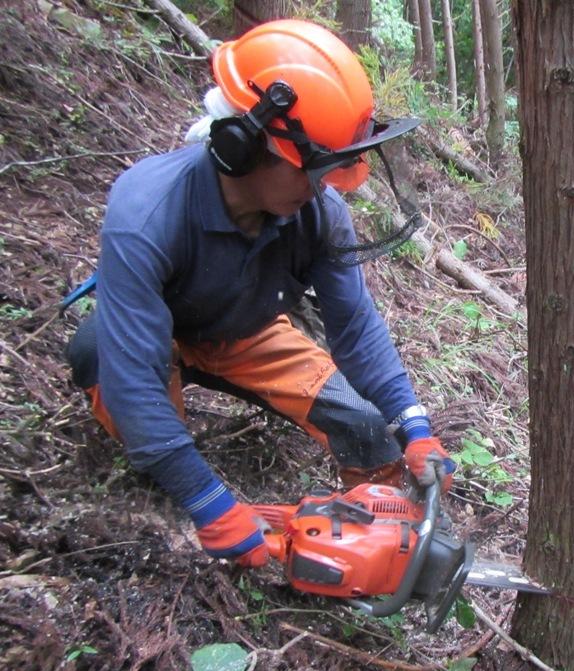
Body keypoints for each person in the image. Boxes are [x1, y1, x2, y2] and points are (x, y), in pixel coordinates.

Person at [65, 19, 455, 569]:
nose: (321, 185)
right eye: (312, 169)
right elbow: (132, 377)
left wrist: (411, 423)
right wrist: (207, 501)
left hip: (249, 331)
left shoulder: (318, 213)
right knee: (100, 355)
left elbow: (355, 327)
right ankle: (172, 486)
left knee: (367, 431)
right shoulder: (147, 213)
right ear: (242, 147)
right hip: (155, 337)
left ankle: (378, 549)